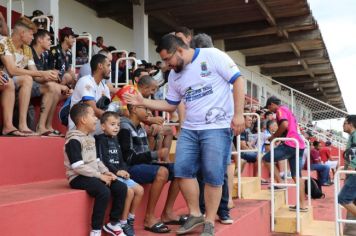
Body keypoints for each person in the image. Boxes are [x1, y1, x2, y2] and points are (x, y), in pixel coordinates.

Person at [123, 34, 245, 236]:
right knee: (182, 170)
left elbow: (238, 80)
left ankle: (209, 222)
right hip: (189, 128)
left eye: (167, 59)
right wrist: (142, 102)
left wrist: (239, 114)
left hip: (215, 127)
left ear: (179, 50)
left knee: (213, 175)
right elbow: (170, 104)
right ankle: (195, 213)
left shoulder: (213, 56)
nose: (166, 64)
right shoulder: (174, 75)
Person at [118, 103, 184, 234]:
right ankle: (149, 218)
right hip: (128, 168)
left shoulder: (140, 127)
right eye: (146, 109)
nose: (149, 113)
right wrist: (156, 154)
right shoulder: (124, 127)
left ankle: (168, 213)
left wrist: (155, 157)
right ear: (135, 109)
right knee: (162, 172)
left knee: (179, 169)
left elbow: (146, 155)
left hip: (141, 165)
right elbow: (129, 158)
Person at [64, 103, 127, 236]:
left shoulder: (91, 138)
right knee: (103, 191)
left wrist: (106, 172)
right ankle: (96, 230)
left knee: (121, 187)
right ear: (83, 120)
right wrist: (99, 176)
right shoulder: (73, 139)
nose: (96, 119)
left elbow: (97, 161)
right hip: (77, 177)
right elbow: (77, 166)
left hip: (93, 174)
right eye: (93, 115)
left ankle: (113, 223)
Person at [0, 17, 58, 136]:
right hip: (5, 79)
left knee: (50, 86)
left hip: (15, 82)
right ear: (22, 33)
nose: (33, 38)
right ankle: (9, 125)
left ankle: (27, 125)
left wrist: (48, 75)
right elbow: (11, 70)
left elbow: (36, 75)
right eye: (31, 35)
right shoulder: (4, 42)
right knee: (23, 78)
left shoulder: (27, 49)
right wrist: (41, 73)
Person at [95, 111, 144, 236]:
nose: (116, 127)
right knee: (129, 191)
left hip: (120, 173)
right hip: (110, 174)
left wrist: (124, 170)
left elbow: (120, 159)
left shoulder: (116, 140)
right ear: (103, 126)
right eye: (112, 124)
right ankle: (122, 222)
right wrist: (117, 172)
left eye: (118, 124)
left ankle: (130, 219)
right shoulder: (100, 140)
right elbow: (103, 161)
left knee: (140, 190)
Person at [262, 96, 307, 212]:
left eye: (268, 107)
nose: (269, 110)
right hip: (299, 144)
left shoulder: (280, 110)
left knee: (266, 159)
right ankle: (302, 205)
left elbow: (284, 125)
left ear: (272, 104)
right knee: (297, 176)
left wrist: (273, 137)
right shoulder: (288, 110)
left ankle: (280, 183)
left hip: (291, 144)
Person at [31, 29, 69, 136]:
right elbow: (35, 76)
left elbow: (43, 75)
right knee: (53, 87)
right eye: (48, 39)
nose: (50, 42)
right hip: (27, 84)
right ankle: (41, 126)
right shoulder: (30, 51)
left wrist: (53, 76)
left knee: (57, 88)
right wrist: (49, 77)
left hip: (37, 85)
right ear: (39, 40)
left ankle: (48, 126)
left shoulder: (43, 55)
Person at [68, 54, 111, 133]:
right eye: (108, 65)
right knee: (114, 124)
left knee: (119, 123)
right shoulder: (85, 81)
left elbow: (107, 109)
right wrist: (112, 118)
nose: (110, 69)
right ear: (100, 66)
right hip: (79, 127)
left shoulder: (105, 87)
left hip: (95, 124)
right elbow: (93, 109)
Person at [338, 115, 356, 216]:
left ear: (351, 124)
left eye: (344, 123)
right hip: (352, 172)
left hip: (354, 171)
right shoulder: (352, 136)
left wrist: (353, 165)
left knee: (343, 198)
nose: (342, 126)